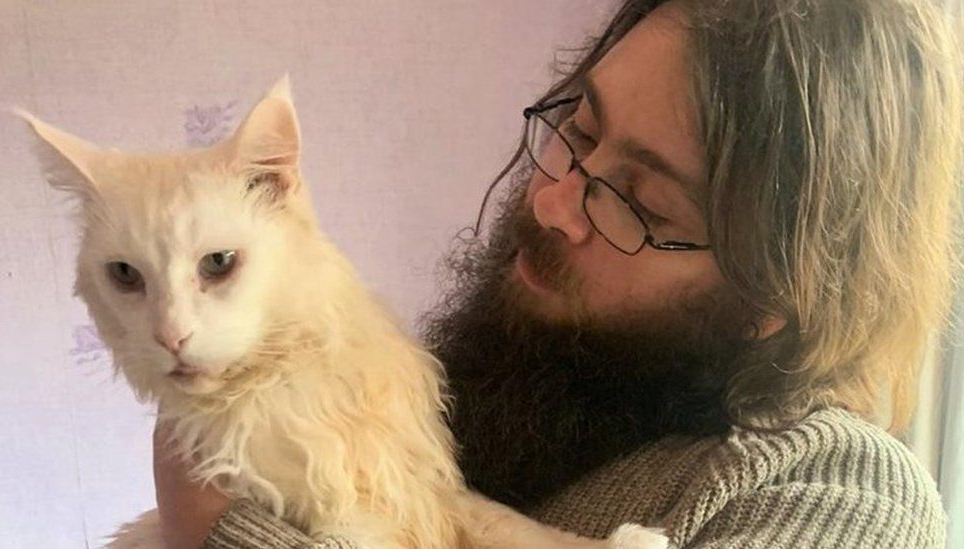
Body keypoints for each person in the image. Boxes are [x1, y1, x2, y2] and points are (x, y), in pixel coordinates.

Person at [153, 0, 964, 547]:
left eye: (640, 203)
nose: (552, 200)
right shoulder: (507, 385)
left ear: (774, 296)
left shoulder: (845, 495)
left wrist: (224, 528)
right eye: (579, 129)